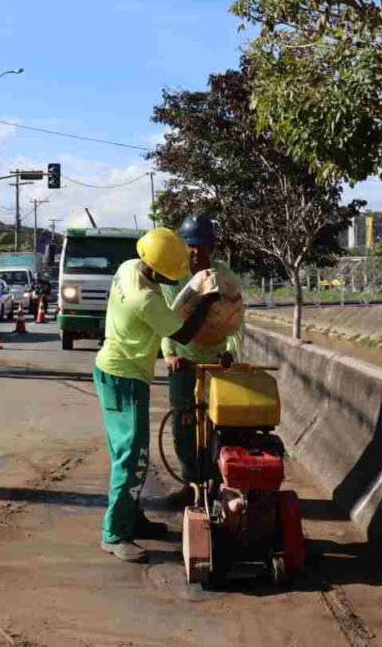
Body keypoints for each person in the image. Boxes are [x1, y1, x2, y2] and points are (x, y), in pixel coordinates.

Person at [94, 227, 222, 563]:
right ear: (158, 269)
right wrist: (207, 300)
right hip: (125, 378)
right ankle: (115, 533)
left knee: (131, 451)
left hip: (112, 370)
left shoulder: (128, 268)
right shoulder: (146, 299)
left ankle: (132, 520)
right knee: (131, 455)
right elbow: (184, 332)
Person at [160, 214, 245, 507]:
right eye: (191, 246)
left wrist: (231, 351)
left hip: (215, 363)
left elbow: (237, 319)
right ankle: (190, 483)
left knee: (219, 426)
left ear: (212, 247)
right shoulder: (174, 276)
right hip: (183, 361)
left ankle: (218, 484)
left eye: (203, 246)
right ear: (184, 246)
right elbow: (167, 318)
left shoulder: (224, 277)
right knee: (183, 427)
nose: (197, 253)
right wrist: (169, 354)